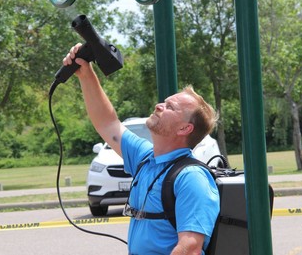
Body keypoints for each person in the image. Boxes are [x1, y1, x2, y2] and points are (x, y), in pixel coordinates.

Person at [63, 43, 220, 255]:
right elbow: (108, 124)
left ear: (185, 128)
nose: (159, 106)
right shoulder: (146, 158)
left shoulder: (192, 177)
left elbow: (190, 247)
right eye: (164, 102)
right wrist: (85, 73)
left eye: (170, 107)